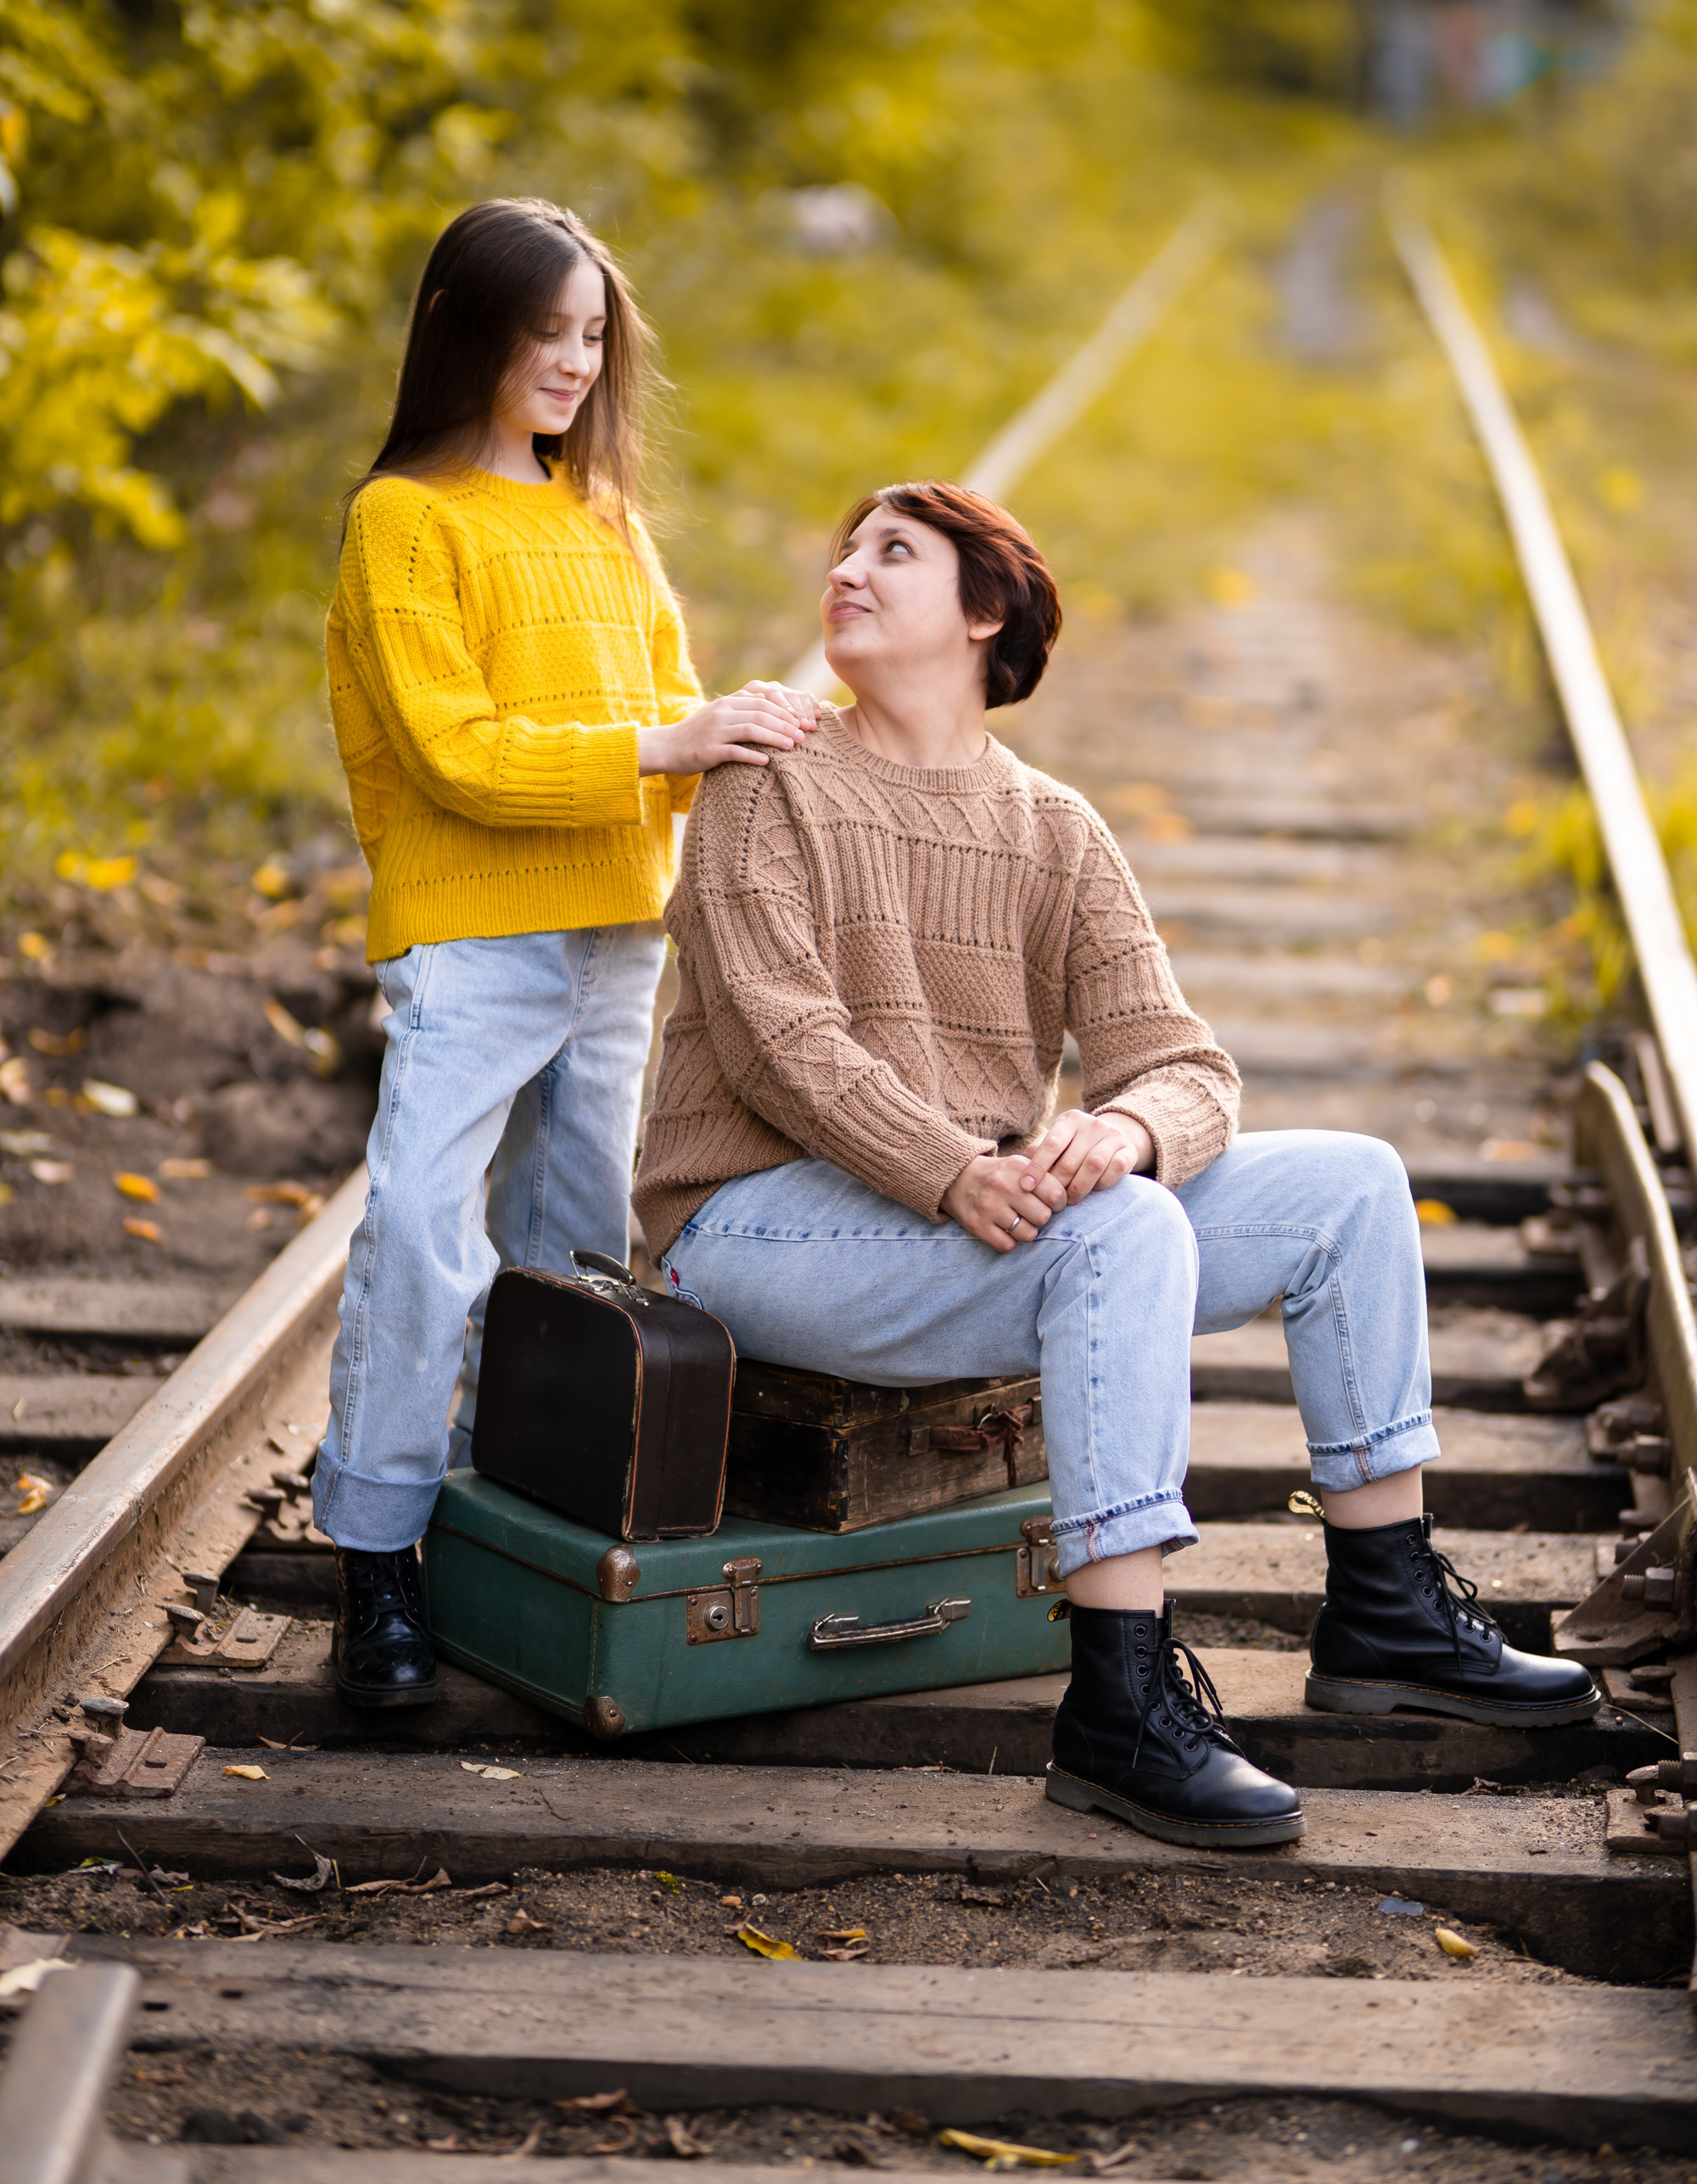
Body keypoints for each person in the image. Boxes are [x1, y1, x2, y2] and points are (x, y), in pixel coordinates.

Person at [634, 481, 1597, 1849]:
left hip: (968, 1211)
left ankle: (1384, 1614)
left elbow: (1187, 1064)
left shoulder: (1054, 829)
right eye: (844, 551)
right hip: (751, 1227)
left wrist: (1128, 1131)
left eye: (891, 553)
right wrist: (957, 1169)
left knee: (1352, 1186)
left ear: (984, 613)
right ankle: (1120, 1706)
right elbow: (781, 1041)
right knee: (1124, 1237)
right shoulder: (767, 783)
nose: (847, 570)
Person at [317, 195, 817, 1707]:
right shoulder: (405, 521)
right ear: (467, 330)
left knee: (579, 1251)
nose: (574, 364)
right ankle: (379, 1555)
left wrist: (742, 733)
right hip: (476, 936)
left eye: (594, 337)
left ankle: (526, 1537)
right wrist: (671, 737)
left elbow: (668, 707)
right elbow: (461, 753)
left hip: (615, 935)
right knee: (419, 1226)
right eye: (546, 332)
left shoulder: (604, 520)